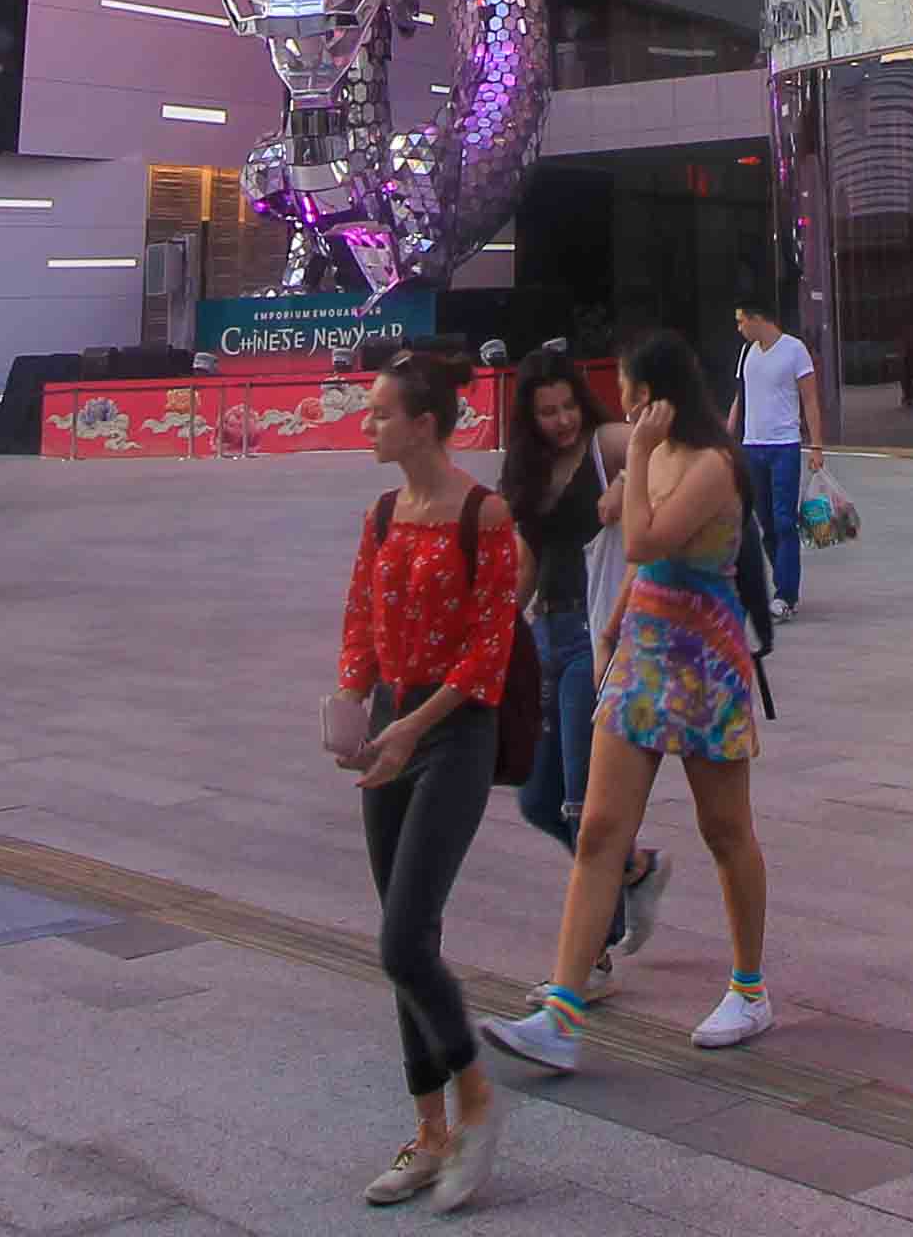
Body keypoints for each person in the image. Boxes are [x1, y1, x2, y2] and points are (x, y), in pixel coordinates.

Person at [485, 330, 773, 1075]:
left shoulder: (711, 463)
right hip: (643, 655)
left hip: (706, 663)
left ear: (663, 396)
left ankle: (749, 987)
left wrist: (636, 460)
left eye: (635, 396)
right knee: (600, 831)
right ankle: (563, 1011)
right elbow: (639, 566)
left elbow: (644, 539)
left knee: (724, 830)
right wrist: (611, 629)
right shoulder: (661, 455)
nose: (628, 409)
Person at [332, 350, 523, 1211]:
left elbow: (491, 651)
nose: (366, 425)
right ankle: (430, 1132)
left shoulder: (486, 514)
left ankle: (477, 1101)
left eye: (379, 414)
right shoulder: (380, 515)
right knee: (406, 943)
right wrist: (352, 702)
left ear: (424, 425)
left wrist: (410, 728)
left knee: (403, 940)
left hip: (453, 732)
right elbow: (361, 621)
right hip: (390, 731)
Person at [497, 347, 658, 956]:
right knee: (538, 799)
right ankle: (634, 870)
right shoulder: (527, 472)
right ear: (529, 417)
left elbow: (663, 445)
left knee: (577, 801)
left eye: (568, 406)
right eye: (548, 412)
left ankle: (593, 951)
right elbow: (529, 565)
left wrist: (624, 482)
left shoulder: (604, 443)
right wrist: (499, 628)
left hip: (598, 636)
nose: (562, 420)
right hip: (547, 634)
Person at [729, 293, 821, 614]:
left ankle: (785, 593)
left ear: (757, 319)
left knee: (784, 520)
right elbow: (740, 400)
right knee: (765, 521)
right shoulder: (746, 353)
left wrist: (817, 446)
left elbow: (810, 399)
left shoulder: (794, 350)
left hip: (784, 445)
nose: (739, 328)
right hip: (753, 446)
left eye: (742, 321)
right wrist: (729, 441)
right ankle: (783, 578)